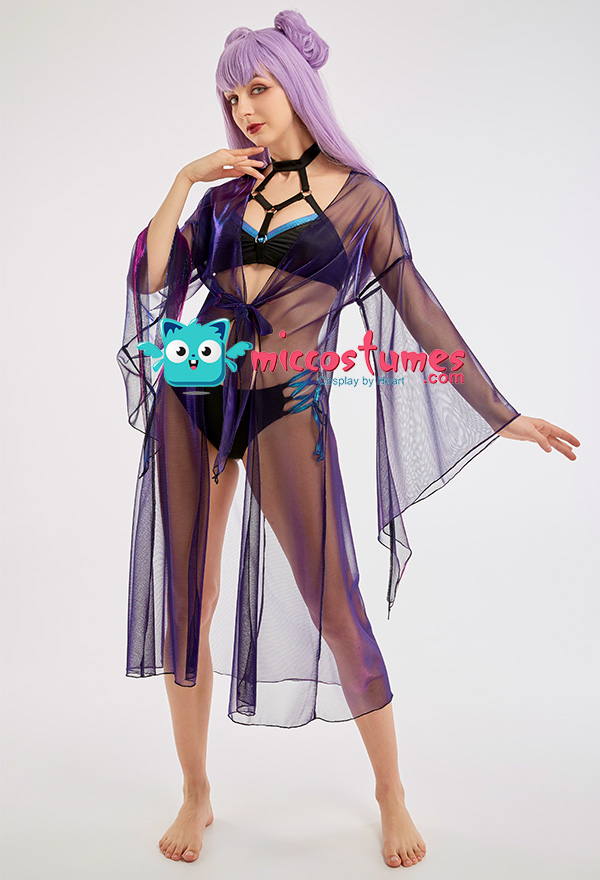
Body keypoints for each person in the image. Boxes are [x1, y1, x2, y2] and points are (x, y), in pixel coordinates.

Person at [116, 9, 580, 869]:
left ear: (297, 87)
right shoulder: (221, 197)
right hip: (194, 393)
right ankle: (196, 791)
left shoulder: (364, 199)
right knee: (189, 604)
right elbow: (151, 278)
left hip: (288, 406)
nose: (245, 109)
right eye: (232, 96)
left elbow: (419, 311)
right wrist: (183, 179)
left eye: (259, 88)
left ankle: (390, 793)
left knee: (336, 607)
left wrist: (499, 413)